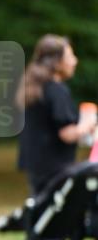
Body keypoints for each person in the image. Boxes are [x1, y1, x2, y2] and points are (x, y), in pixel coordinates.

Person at [16, 34, 97, 195]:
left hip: (38, 167)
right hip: (56, 169)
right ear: (57, 62)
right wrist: (89, 122)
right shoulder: (56, 90)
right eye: (70, 56)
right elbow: (67, 134)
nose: (75, 61)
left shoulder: (37, 88)